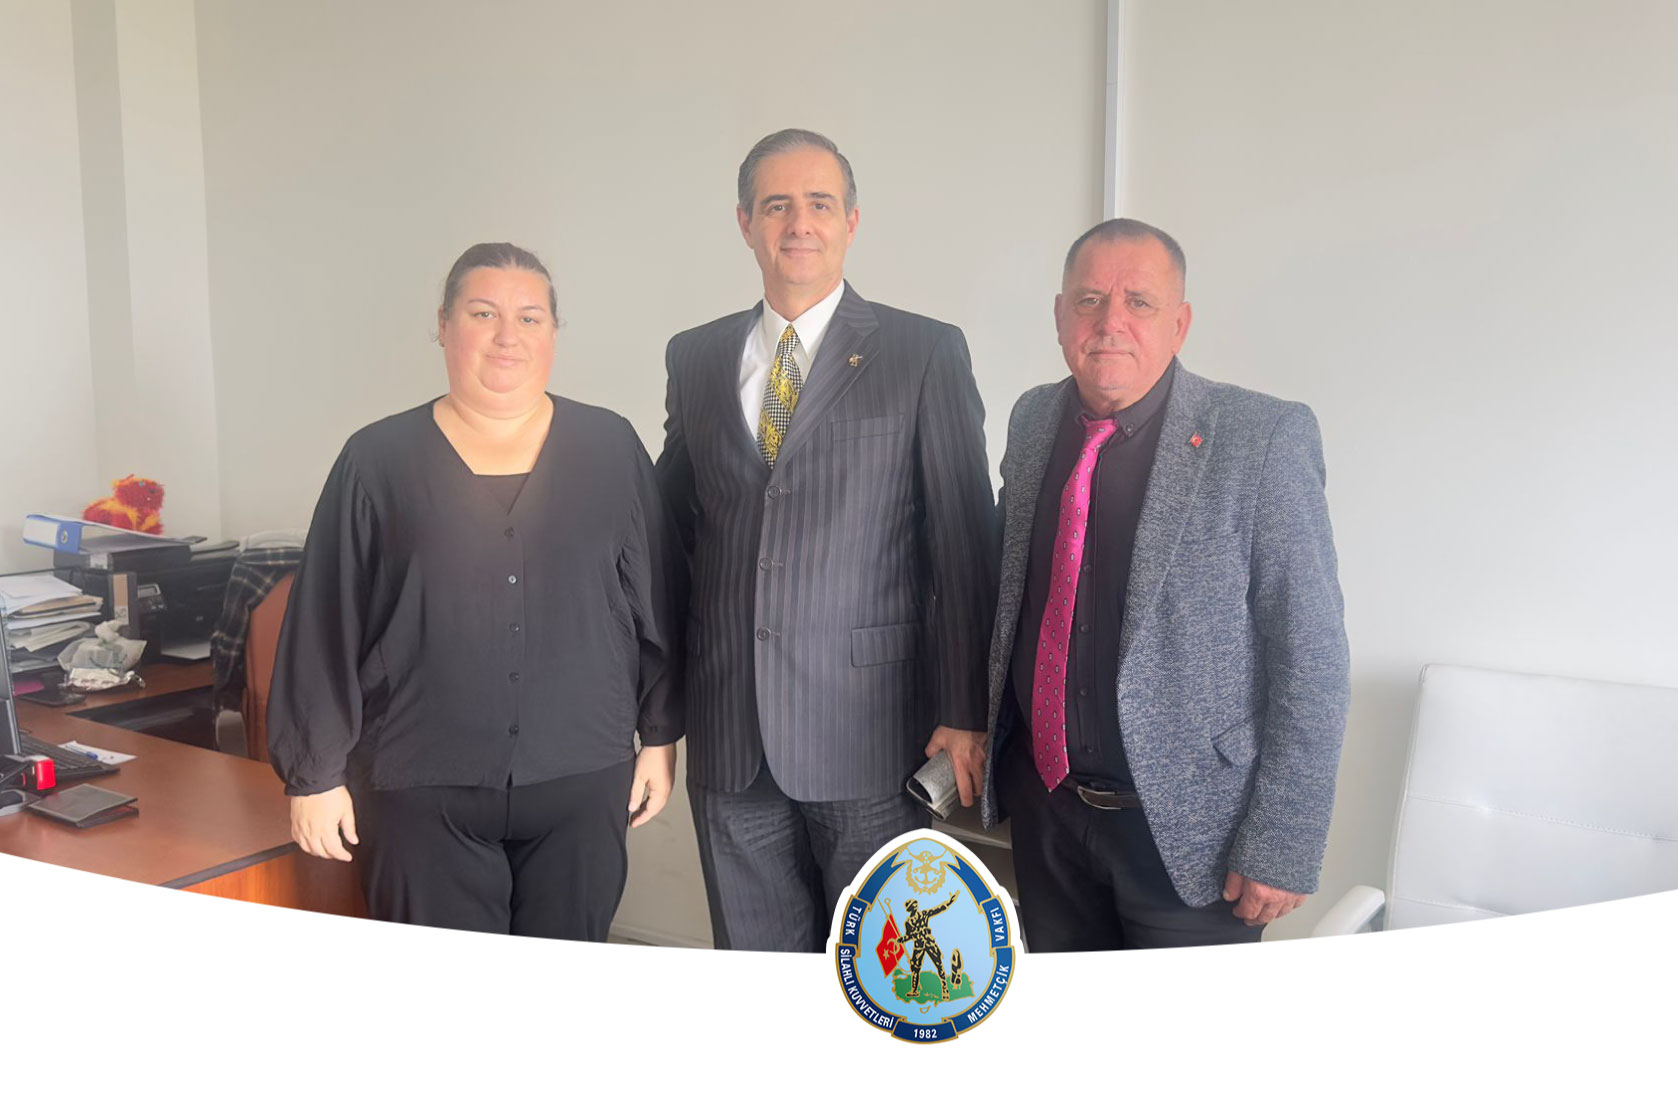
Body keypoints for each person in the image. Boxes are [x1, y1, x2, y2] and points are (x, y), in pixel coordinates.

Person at [943, 218, 1349, 950]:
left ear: (1180, 323)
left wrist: (1283, 842)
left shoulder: (1261, 438)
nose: (1111, 323)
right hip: (1048, 815)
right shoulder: (1033, 419)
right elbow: (1008, 595)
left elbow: (1312, 655)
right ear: (1060, 316)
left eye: (1139, 302)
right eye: (1090, 300)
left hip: (1192, 835)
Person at [269, 242, 685, 941]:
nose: (507, 336)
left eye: (529, 317)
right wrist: (314, 775)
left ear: (553, 332)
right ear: (443, 324)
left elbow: (659, 599)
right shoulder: (376, 461)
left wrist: (662, 734)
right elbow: (325, 622)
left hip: (581, 776)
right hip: (419, 785)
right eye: (483, 313)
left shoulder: (611, 448)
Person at [657, 129, 997, 952]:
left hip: (871, 737)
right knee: (757, 971)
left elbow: (963, 541)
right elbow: (673, 536)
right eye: (777, 205)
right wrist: (658, 712)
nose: (798, 223)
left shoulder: (923, 352)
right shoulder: (695, 356)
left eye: (818, 203)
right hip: (731, 735)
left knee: (883, 971)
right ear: (745, 222)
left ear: (852, 221)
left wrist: (964, 710)